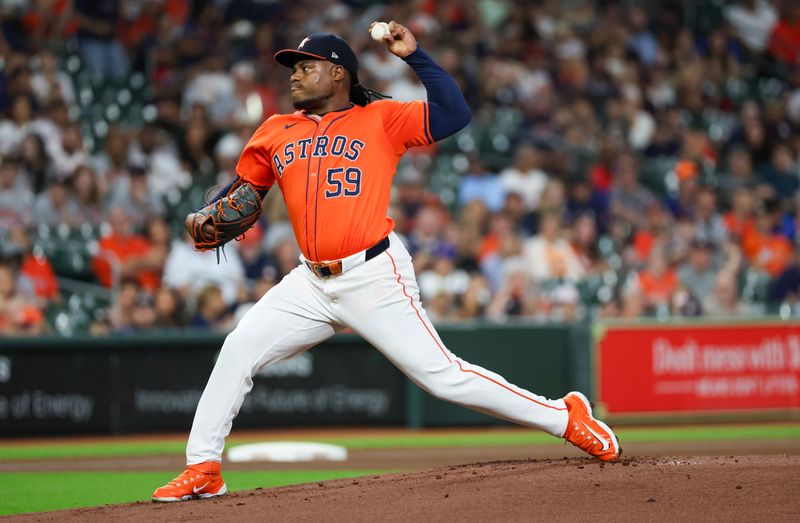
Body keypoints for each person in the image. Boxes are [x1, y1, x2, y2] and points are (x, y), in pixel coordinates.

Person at [152, 23, 620, 503]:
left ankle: (566, 417)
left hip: (373, 273)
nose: (294, 75)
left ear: (338, 74)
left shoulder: (380, 119)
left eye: (306, 66)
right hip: (310, 281)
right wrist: (208, 217)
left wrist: (415, 56)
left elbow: (454, 113)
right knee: (238, 348)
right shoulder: (275, 130)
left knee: (444, 378)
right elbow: (242, 195)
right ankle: (203, 467)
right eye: (293, 67)